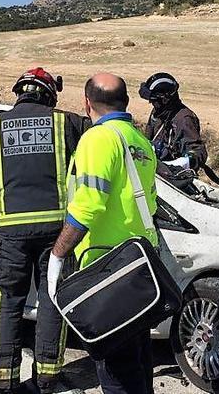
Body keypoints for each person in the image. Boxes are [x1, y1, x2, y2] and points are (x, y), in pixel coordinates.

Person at [0, 68, 87, 394]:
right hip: (56, 233)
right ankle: (48, 377)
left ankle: (1, 380)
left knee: (7, 302)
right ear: (49, 95)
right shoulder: (67, 123)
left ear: (19, 93)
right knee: (52, 300)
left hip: (11, 234)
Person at [47, 73, 158, 394]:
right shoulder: (138, 141)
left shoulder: (99, 138)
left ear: (86, 103)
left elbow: (88, 206)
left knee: (115, 374)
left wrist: (57, 255)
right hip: (138, 266)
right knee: (137, 364)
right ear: (125, 102)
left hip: (106, 269)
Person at [138, 72, 207, 172]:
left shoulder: (184, 119)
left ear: (165, 100)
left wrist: (181, 163)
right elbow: (148, 138)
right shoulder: (157, 112)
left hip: (174, 177)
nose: (151, 103)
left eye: (154, 101)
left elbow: (198, 152)